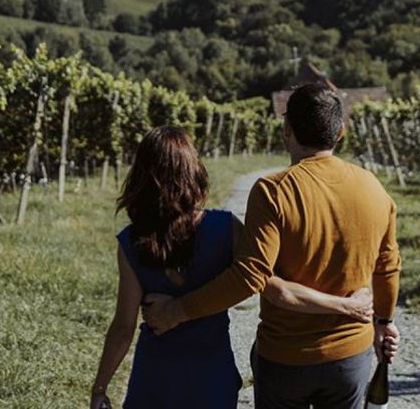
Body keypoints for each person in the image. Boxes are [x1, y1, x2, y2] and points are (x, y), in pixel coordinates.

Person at [144, 82, 402, 409]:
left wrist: (176, 312)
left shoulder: (273, 191)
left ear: (286, 130)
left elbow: (249, 277)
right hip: (350, 357)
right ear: (341, 132)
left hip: (285, 360)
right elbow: (388, 266)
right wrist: (383, 323)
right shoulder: (374, 188)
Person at [90, 126, 374, 409]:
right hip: (211, 377)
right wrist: (343, 305)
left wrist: (99, 389)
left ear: (141, 176)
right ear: (194, 172)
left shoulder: (131, 243)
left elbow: (123, 328)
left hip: (154, 378)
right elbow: (267, 283)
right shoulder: (225, 229)